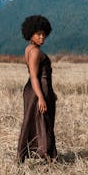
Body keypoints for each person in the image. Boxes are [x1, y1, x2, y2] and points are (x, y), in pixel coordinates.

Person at [17, 15, 57, 163]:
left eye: (44, 34)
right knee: (43, 122)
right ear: (31, 34)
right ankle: (46, 155)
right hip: (38, 90)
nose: (42, 37)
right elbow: (34, 76)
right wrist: (41, 97)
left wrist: (51, 93)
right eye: (38, 34)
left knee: (31, 121)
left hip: (34, 90)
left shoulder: (29, 49)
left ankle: (25, 154)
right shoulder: (35, 52)